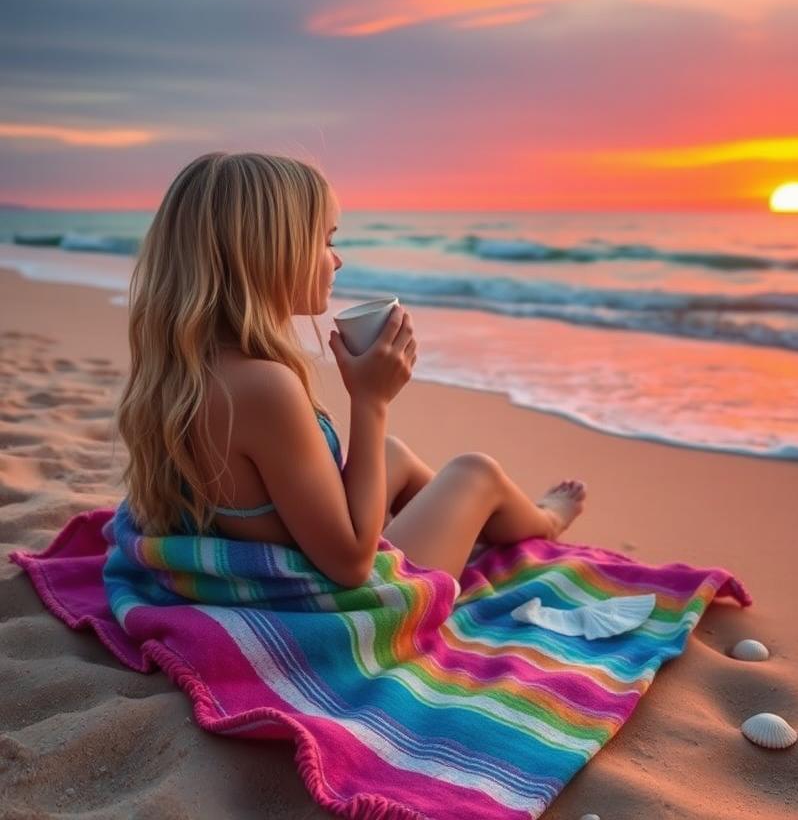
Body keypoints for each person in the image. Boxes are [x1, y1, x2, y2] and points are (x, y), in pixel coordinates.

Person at [115, 151, 586, 589]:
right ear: (269, 254)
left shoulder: (188, 365)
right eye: (326, 240)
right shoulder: (264, 386)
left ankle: (480, 530)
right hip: (333, 591)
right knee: (474, 472)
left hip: (288, 544)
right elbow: (352, 565)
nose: (336, 258)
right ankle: (544, 523)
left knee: (391, 454)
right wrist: (371, 400)